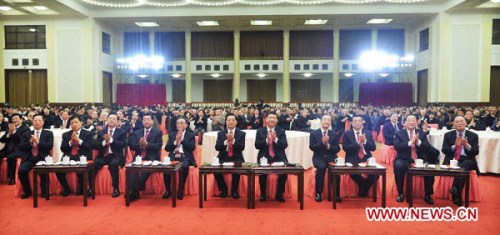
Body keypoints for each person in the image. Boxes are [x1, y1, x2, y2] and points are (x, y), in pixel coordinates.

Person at [393, 115, 440, 204]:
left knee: (429, 168)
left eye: (413, 120)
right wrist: (410, 142)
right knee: (399, 166)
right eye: (409, 120)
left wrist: (418, 141)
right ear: (405, 123)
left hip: (420, 159)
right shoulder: (399, 133)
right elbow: (397, 146)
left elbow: (428, 147)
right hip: (404, 158)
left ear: (417, 122)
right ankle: (400, 192)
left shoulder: (422, 133)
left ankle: (428, 194)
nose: (411, 122)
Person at [441, 115, 479, 206]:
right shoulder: (448, 135)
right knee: (462, 169)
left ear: (465, 123)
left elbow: (476, 152)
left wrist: (466, 145)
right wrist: (455, 146)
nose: (459, 123)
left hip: (468, 159)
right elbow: (444, 150)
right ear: (453, 124)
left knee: (464, 166)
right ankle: (457, 195)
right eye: (457, 122)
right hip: (452, 159)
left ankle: (455, 189)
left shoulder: (473, 135)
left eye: (461, 121)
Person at [127, 113, 163, 201]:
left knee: (144, 172)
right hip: (139, 157)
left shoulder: (158, 132)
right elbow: (132, 145)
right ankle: (132, 192)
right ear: (142, 121)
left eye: (148, 119)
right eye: (144, 120)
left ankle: (134, 192)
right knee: (131, 171)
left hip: (152, 158)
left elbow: (158, 146)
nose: (146, 121)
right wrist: (140, 145)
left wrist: (147, 144)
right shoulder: (137, 132)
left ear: (152, 121)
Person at [57, 115, 95, 197]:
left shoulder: (88, 133)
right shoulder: (66, 134)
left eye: (76, 122)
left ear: (81, 123)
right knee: (58, 169)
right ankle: (66, 188)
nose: (74, 124)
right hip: (69, 155)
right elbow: (62, 148)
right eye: (72, 123)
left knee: (82, 166)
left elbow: (90, 146)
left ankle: (81, 187)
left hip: (82, 155)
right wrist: (71, 142)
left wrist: (79, 141)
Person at [255, 112, 288, 202]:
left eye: (274, 118)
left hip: (278, 157)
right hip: (264, 156)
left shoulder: (281, 131)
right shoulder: (260, 131)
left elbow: (285, 145)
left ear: (277, 120)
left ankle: (279, 194)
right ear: (266, 120)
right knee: (262, 172)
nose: (272, 119)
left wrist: (275, 139)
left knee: (284, 172)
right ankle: (263, 193)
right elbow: (257, 145)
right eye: (270, 118)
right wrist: (266, 140)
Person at [18, 114, 53, 198]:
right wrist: (30, 142)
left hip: (42, 157)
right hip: (29, 157)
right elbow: (21, 147)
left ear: (43, 122)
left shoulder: (48, 133)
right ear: (32, 122)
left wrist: (38, 142)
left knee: (43, 171)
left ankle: (44, 191)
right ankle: (27, 191)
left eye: (39, 120)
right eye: (35, 120)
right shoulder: (26, 134)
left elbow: (49, 146)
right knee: (21, 171)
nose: (37, 122)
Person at [341, 115, 377, 197]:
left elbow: (373, 148)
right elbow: (345, 148)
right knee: (353, 173)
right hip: (353, 158)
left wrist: (365, 141)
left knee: (376, 174)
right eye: (355, 121)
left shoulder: (367, 133)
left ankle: (364, 188)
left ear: (363, 122)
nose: (357, 122)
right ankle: (363, 188)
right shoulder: (347, 133)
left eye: (359, 121)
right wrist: (356, 144)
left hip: (366, 158)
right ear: (352, 123)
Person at [94, 114, 127, 198]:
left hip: (116, 155)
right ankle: (91, 187)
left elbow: (122, 145)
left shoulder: (122, 132)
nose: (111, 120)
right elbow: (96, 145)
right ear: (107, 120)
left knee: (113, 164)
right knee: (94, 164)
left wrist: (111, 140)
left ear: (117, 121)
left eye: (114, 119)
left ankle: (116, 188)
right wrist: (105, 142)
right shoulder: (101, 132)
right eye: (110, 118)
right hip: (103, 156)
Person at [309, 114, 341, 203]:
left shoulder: (334, 134)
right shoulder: (313, 133)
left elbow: (337, 149)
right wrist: (322, 143)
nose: (326, 121)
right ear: (321, 121)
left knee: (336, 169)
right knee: (322, 167)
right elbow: (312, 147)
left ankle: (337, 194)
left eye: (328, 120)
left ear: (330, 122)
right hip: (319, 157)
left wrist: (328, 145)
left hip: (331, 157)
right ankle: (318, 193)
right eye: (325, 119)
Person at [163, 117, 197, 200]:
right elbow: (167, 148)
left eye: (181, 123)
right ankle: (168, 190)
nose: (179, 125)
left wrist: (181, 140)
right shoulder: (172, 134)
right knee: (166, 167)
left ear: (186, 124)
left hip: (185, 156)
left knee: (184, 167)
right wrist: (175, 142)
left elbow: (192, 147)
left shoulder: (190, 135)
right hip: (173, 156)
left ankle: (180, 189)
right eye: (178, 123)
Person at [214, 114, 246, 199]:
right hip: (223, 156)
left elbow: (241, 147)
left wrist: (233, 140)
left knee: (237, 169)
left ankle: (234, 191)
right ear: (226, 122)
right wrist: (226, 141)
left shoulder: (241, 133)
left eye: (233, 120)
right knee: (215, 170)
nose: (231, 122)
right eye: (229, 120)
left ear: (236, 122)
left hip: (236, 156)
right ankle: (223, 189)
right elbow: (217, 147)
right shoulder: (221, 133)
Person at [0, 114, 30, 185]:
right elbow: (2, 140)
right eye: (13, 119)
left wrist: (13, 132)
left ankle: (12, 178)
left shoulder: (25, 129)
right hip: (7, 149)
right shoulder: (10, 127)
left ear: (21, 120)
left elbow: (21, 140)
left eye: (16, 118)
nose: (15, 120)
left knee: (11, 157)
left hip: (18, 149)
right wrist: (8, 134)